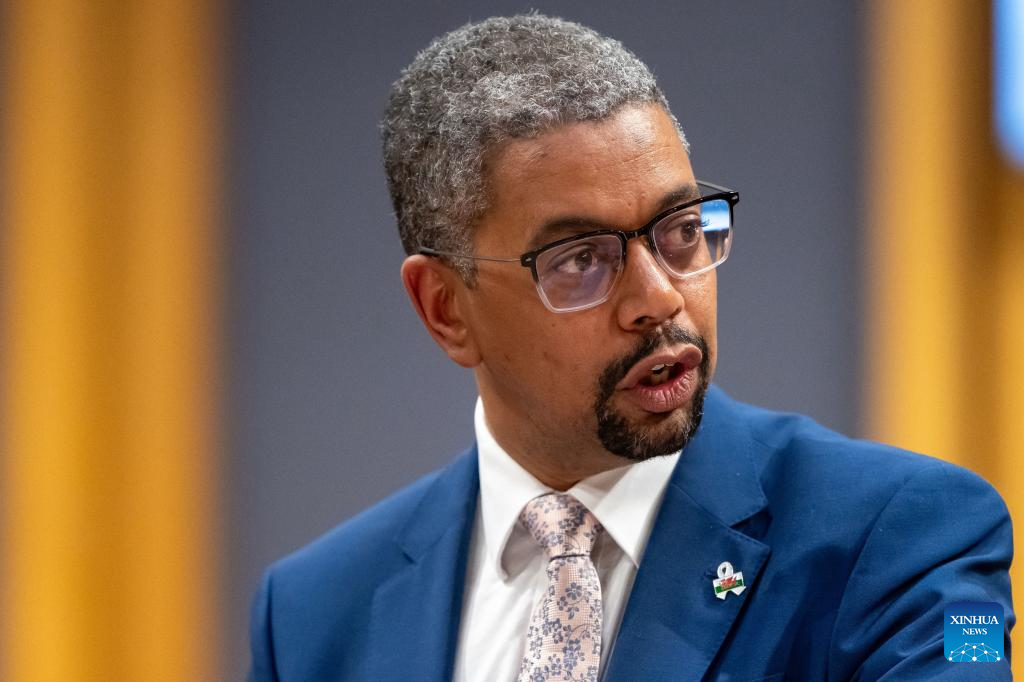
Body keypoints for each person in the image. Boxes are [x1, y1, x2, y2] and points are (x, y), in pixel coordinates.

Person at [248, 14, 1014, 681]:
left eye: (680, 231)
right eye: (582, 258)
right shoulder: (313, 616)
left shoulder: (908, 538)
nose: (660, 298)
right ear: (445, 309)